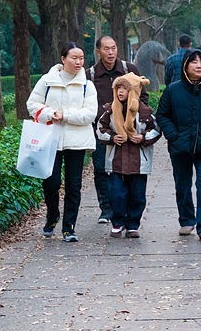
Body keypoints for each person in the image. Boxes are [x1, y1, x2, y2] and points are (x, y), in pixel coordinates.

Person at [26, 42, 97, 242]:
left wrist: (65, 115)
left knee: (74, 185)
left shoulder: (87, 85)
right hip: (51, 139)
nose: (78, 62)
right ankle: (52, 215)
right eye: (74, 58)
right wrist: (50, 113)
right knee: (51, 182)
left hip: (77, 141)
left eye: (81, 58)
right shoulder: (47, 81)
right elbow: (32, 104)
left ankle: (69, 227)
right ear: (63, 59)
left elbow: (90, 113)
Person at [156, 50, 201, 242]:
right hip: (180, 147)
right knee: (183, 185)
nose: (198, 65)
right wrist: (173, 136)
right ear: (185, 66)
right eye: (194, 62)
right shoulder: (173, 90)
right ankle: (187, 219)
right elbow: (162, 115)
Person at [95, 74, 161, 237]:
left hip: (139, 162)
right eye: (118, 88)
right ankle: (117, 222)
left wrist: (143, 137)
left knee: (137, 194)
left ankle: (133, 224)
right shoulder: (110, 111)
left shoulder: (144, 111)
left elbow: (156, 130)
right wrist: (111, 137)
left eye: (125, 88)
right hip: (116, 160)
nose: (121, 92)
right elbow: (100, 129)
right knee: (116, 193)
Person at [87, 36, 139, 225]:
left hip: (126, 130)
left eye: (114, 48)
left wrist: (133, 115)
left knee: (126, 170)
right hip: (102, 132)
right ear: (98, 51)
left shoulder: (128, 70)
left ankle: (124, 208)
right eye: (106, 49)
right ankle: (106, 209)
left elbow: (143, 96)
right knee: (101, 169)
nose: (110, 53)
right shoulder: (90, 75)